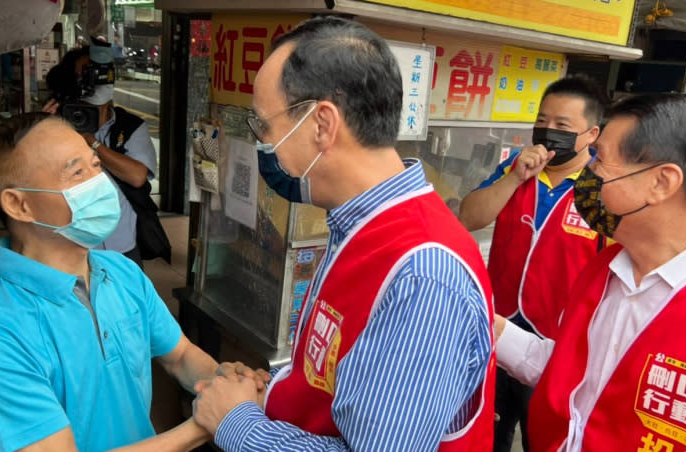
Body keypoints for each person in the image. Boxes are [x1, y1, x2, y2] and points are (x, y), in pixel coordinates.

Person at [192, 16, 495, 451]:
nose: (263, 143)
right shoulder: (357, 228)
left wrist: (237, 422)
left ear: (322, 125)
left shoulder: (424, 275)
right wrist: (277, 392)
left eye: (264, 126)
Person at [0, 114, 221, 451]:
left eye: (95, 164)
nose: (99, 183)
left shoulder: (122, 273)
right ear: (19, 204)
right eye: (77, 173)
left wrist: (226, 383)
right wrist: (204, 426)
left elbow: (179, 356)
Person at [495, 94, 686, 451]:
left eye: (600, 158)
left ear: (662, 182)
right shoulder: (608, 266)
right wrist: (485, 324)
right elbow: (570, 377)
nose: (587, 174)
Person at [458, 76, 608, 452]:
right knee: (487, 430)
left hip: (555, 343)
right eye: (543, 121)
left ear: (591, 134)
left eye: (562, 126)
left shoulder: (602, 188)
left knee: (543, 436)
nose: (548, 130)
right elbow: (468, 218)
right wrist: (514, 179)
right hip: (495, 327)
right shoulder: (515, 168)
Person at [44, 36, 159, 267]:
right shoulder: (58, 123)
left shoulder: (129, 126)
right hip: (70, 243)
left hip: (121, 244)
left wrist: (92, 143)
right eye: (87, 72)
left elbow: (137, 176)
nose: (98, 79)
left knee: (126, 300)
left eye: (102, 72)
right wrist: (41, 128)